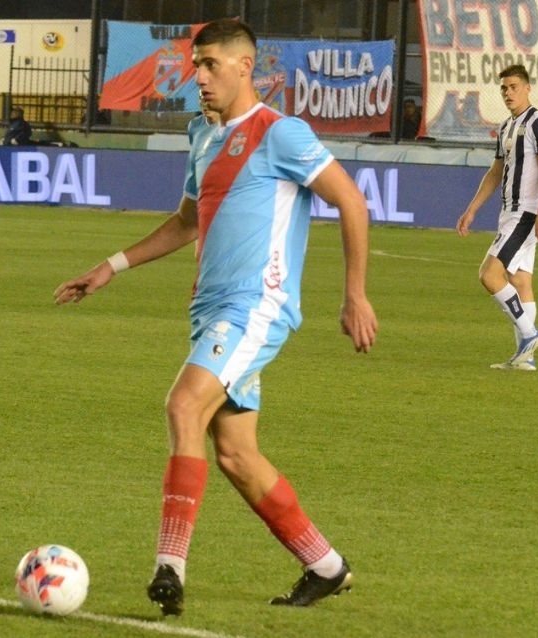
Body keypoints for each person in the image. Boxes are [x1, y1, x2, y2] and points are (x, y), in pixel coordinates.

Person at [54, 19, 377, 615]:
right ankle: (326, 566)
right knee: (235, 455)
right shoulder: (202, 134)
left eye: (209, 65)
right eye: (195, 65)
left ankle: (169, 566)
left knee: (183, 405)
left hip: (257, 306)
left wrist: (354, 294)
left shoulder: (281, 133)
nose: (197, 77)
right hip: (211, 310)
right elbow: (186, 222)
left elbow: (351, 201)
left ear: (244, 66)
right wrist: (111, 267)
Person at [456, 64, 538, 371]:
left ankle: (529, 334)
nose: (508, 93)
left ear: (527, 88)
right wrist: (472, 209)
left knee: (489, 275)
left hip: (525, 213)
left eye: (513, 87)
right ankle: (526, 359)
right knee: (520, 281)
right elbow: (496, 172)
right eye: (504, 88)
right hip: (510, 212)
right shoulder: (506, 127)